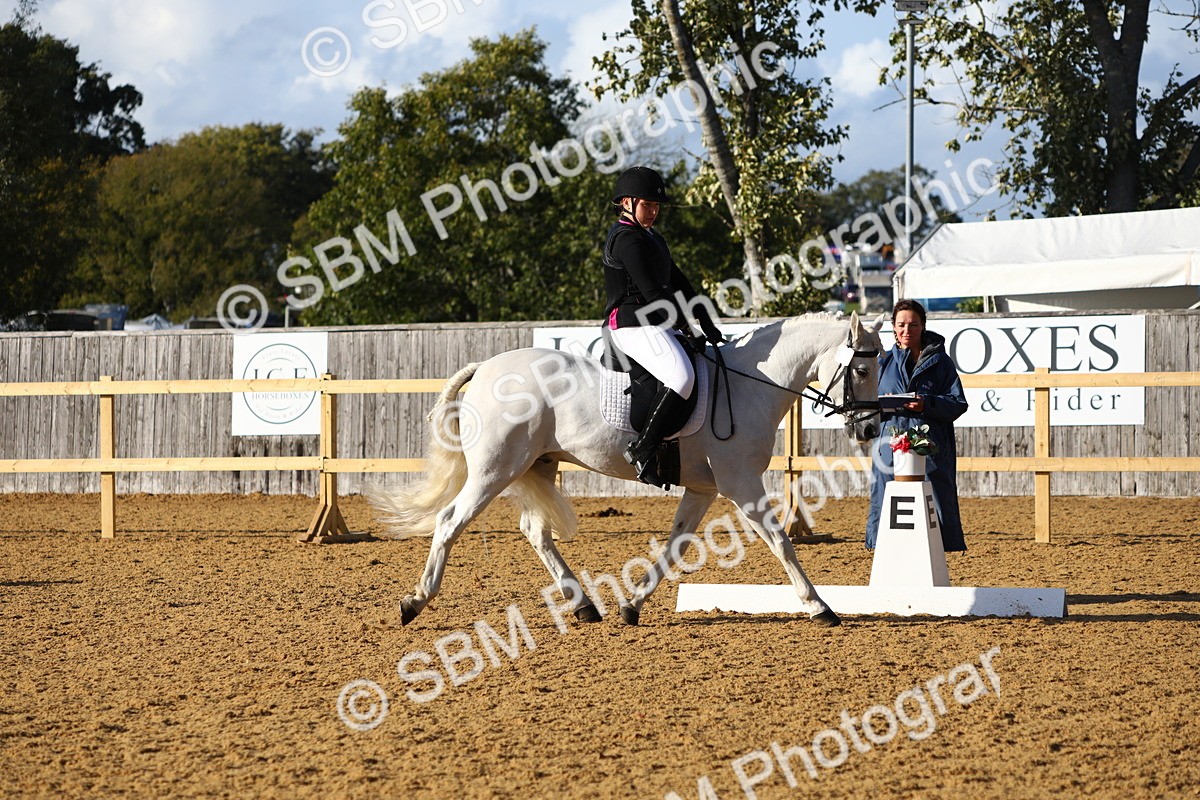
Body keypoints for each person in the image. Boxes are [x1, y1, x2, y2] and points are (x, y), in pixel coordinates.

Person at [602, 165, 724, 488]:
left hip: (653, 324)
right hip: (630, 325)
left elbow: (679, 282)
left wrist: (706, 319)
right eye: (647, 204)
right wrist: (687, 326)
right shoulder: (627, 239)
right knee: (681, 377)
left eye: (656, 206)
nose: (653, 211)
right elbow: (653, 294)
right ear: (626, 202)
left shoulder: (653, 237)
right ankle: (643, 448)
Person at [866, 299, 969, 551]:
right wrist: (881, 405)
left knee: (933, 509)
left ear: (923, 326)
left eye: (913, 324)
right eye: (901, 324)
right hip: (889, 450)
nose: (906, 330)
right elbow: (865, 406)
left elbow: (958, 403)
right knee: (886, 502)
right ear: (893, 327)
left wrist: (927, 404)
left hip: (930, 451)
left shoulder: (941, 363)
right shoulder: (882, 363)